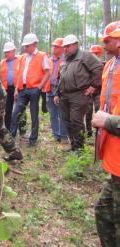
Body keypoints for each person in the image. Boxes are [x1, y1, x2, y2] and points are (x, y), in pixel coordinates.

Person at [93, 21, 120, 247]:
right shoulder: (110, 64)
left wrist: (108, 120)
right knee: (103, 211)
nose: (104, 44)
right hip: (115, 157)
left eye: (108, 40)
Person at [54, 34, 103, 152]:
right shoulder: (65, 60)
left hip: (79, 94)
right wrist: (57, 93)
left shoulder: (85, 56)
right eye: (64, 47)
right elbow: (60, 78)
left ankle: (79, 149)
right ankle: (73, 145)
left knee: (76, 121)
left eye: (68, 46)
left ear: (76, 45)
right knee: (66, 120)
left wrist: (93, 86)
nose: (65, 49)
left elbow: (99, 68)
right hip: (64, 95)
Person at [10, 33, 50, 146]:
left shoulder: (42, 56)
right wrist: (16, 89)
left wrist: (39, 87)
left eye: (27, 46)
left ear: (34, 44)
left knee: (34, 114)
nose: (25, 48)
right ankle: (11, 136)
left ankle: (33, 140)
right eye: (25, 46)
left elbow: (47, 73)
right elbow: (19, 74)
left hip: (34, 90)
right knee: (16, 113)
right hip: (22, 89)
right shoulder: (22, 57)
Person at [44, 38, 68, 142]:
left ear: (62, 48)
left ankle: (63, 136)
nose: (53, 48)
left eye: (56, 46)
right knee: (52, 114)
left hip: (61, 90)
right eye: (53, 46)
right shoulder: (48, 60)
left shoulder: (66, 60)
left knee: (62, 114)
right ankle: (55, 134)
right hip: (49, 89)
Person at [85, 45, 104, 137]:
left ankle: (98, 132)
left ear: (100, 54)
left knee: (98, 112)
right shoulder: (86, 66)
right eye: (93, 53)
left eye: (96, 53)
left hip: (99, 92)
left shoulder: (104, 65)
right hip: (89, 92)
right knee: (88, 112)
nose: (94, 55)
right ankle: (88, 132)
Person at [0, 41, 19, 131]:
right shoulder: (2, 62)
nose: (6, 54)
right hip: (6, 89)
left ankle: (22, 130)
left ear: (14, 51)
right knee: (7, 110)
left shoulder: (20, 60)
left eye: (8, 52)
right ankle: (8, 129)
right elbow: (0, 76)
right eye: (5, 52)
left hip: (18, 88)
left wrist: (18, 89)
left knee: (19, 109)